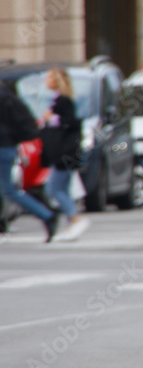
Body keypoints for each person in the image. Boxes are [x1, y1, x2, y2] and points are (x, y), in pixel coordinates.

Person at [0, 82, 60, 241]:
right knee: (7, 190)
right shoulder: (7, 95)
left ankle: (47, 215)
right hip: (9, 147)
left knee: (8, 191)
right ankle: (46, 215)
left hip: (3, 148)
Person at [40, 68, 90, 241]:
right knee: (64, 189)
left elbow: (70, 122)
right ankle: (72, 224)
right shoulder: (61, 99)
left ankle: (75, 218)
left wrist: (50, 119)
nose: (46, 80)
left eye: (48, 77)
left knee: (53, 188)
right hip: (65, 152)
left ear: (56, 80)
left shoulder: (62, 100)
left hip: (63, 152)